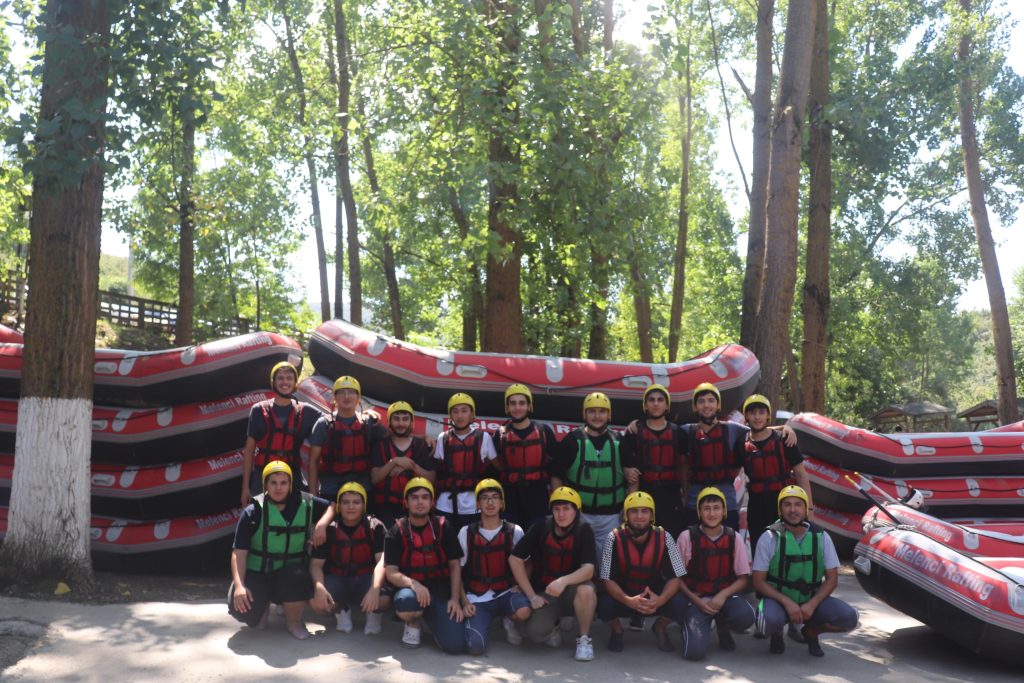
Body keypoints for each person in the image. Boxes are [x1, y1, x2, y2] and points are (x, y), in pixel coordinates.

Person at [228, 461, 333, 640]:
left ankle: (294, 622)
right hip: (259, 571)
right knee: (249, 617)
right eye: (273, 483)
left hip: (291, 573)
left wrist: (322, 524)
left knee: (297, 575)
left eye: (283, 483)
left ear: (290, 484)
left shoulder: (305, 502)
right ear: (265, 485)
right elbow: (238, 553)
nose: (278, 488)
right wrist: (239, 586)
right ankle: (263, 607)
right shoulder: (253, 511)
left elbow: (332, 506)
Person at [752, 486, 858, 657]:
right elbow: (758, 581)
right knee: (765, 622)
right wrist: (787, 602)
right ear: (780, 510)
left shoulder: (822, 537)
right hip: (779, 600)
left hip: (810, 599)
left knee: (849, 619)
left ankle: (811, 632)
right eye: (787, 505)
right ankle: (777, 633)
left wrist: (812, 604)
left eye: (798, 505)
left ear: (805, 509)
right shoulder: (769, 538)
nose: (792, 510)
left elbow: (832, 580)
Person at [509, 486, 598, 662]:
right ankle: (552, 625)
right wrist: (531, 595)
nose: (561, 514)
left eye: (566, 509)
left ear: (576, 511)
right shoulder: (542, 526)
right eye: (557, 509)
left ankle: (584, 639)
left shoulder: (584, 530)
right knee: (535, 633)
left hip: (572, 590)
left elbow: (589, 569)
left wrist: (563, 581)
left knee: (587, 590)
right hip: (546, 594)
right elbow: (515, 559)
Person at [597, 491, 688, 654]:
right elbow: (606, 579)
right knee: (602, 604)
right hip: (625, 595)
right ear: (626, 515)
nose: (639, 516)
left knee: (680, 602)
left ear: (652, 515)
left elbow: (676, 577)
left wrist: (660, 600)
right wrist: (627, 600)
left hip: (653, 596)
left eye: (644, 511)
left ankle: (660, 627)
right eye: (634, 511)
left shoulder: (665, 537)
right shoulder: (613, 538)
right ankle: (617, 629)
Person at [384, 477, 466, 653]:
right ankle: (413, 621)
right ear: (406, 502)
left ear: (432, 502)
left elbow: (455, 565)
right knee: (405, 602)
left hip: (441, 591)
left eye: (425, 497)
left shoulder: (444, 526)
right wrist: (414, 583)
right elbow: (391, 572)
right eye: (414, 497)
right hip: (412, 591)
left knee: (455, 645)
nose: (420, 502)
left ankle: (430, 621)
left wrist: (455, 598)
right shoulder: (396, 530)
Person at [550, 392, 636, 557]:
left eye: (602, 411)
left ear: (609, 415)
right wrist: (560, 505)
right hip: (579, 515)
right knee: (578, 558)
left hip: (612, 516)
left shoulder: (620, 441)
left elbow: (633, 479)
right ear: (584, 414)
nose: (597, 416)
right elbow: (556, 475)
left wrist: (628, 508)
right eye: (592, 411)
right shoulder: (571, 441)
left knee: (608, 561)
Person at [676, 486, 754, 660]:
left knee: (746, 617)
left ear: (724, 511)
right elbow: (677, 579)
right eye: (706, 509)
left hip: (724, 597)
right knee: (694, 653)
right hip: (696, 598)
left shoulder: (734, 537)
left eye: (716, 508)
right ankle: (690, 623)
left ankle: (722, 625)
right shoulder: (685, 537)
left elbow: (743, 579)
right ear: (699, 512)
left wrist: (722, 596)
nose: (712, 514)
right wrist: (697, 601)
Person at [459, 478, 531, 655]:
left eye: (494, 497)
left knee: (523, 611)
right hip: (477, 597)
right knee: (475, 647)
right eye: (484, 498)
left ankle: (508, 619)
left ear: (502, 503)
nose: (490, 502)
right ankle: (483, 621)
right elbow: (456, 571)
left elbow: (528, 563)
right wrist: (464, 601)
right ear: (478, 504)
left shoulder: (515, 531)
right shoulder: (466, 532)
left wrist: (521, 586)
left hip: (506, 592)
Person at [309, 482, 391, 635]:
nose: (351, 507)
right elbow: (316, 565)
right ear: (339, 506)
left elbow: (382, 561)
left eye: (356, 502)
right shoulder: (329, 529)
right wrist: (319, 587)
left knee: (384, 600)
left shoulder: (375, 527)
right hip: (338, 578)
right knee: (316, 604)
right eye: (345, 502)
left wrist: (374, 589)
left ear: (363, 505)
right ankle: (342, 609)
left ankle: (373, 613)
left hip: (366, 577)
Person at [240, 362, 321, 504]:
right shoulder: (258, 410)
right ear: (273, 382)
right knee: (260, 515)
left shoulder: (307, 411)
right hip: (262, 476)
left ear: (295, 383)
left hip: (292, 476)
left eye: (289, 378)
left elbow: (333, 420)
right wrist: (245, 487)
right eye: (280, 378)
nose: (285, 382)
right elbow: (249, 451)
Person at [742, 394, 811, 553]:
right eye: (752, 413)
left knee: (785, 548)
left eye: (761, 412)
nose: (757, 417)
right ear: (746, 416)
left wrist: (809, 508)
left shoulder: (785, 440)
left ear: (768, 415)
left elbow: (801, 474)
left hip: (783, 502)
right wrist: (782, 426)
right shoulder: (742, 442)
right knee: (759, 549)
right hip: (757, 506)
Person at [619, 384, 687, 538]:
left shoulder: (679, 433)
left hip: (671, 496)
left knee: (671, 540)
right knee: (644, 540)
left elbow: (684, 466)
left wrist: (685, 494)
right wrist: (629, 502)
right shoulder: (634, 432)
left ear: (667, 405)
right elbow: (629, 470)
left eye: (660, 400)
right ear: (645, 405)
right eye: (651, 400)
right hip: (644, 494)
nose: (656, 404)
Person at [308, 375, 387, 502]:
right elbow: (313, 461)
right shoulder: (323, 424)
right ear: (334, 397)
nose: (346, 396)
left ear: (358, 398)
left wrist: (422, 438)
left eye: (351, 392)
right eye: (341, 393)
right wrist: (313, 494)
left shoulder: (369, 422)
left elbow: (393, 436)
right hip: (331, 488)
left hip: (362, 487)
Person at [494, 383, 557, 531]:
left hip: (538, 496)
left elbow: (555, 469)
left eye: (522, 403)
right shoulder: (500, 435)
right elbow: (494, 469)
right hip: (510, 497)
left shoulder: (544, 431)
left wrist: (556, 499)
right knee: (511, 538)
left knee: (537, 538)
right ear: (507, 407)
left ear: (529, 406)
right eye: (513, 403)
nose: (517, 407)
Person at [433, 392, 497, 529]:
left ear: (472, 414)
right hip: (445, 505)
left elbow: (497, 466)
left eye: (464, 411)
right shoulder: (443, 438)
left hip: (473, 506)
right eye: (455, 411)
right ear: (450, 416)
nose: (460, 416)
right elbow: (437, 468)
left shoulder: (484, 437)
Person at [370, 401, 436, 529]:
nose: (401, 423)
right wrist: (394, 461)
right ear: (389, 421)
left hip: (415, 509)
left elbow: (432, 478)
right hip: (385, 509)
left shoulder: (421, 445)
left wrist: (411, 465)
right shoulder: (380, 444)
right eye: (396, 419)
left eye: (405, 419)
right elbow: (374, 478)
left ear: (411, 422)